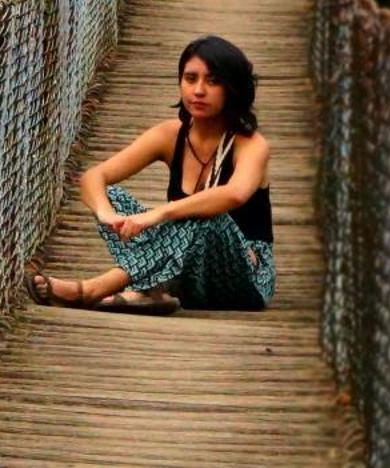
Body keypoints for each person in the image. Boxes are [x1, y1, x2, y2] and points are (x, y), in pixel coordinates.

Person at [27, 34, 276, 315]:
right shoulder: (169, 135)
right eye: (190, 78)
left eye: (213, 81)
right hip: (189, 273)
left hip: (245, 278)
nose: (199, 90)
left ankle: (93, 289)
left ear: (233, 88)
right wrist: (108, 215)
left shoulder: (251, 144)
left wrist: (159, 214)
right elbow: (93, 178)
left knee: (207, 218)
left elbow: (235, 194)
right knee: (112, 196)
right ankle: (155, 290)